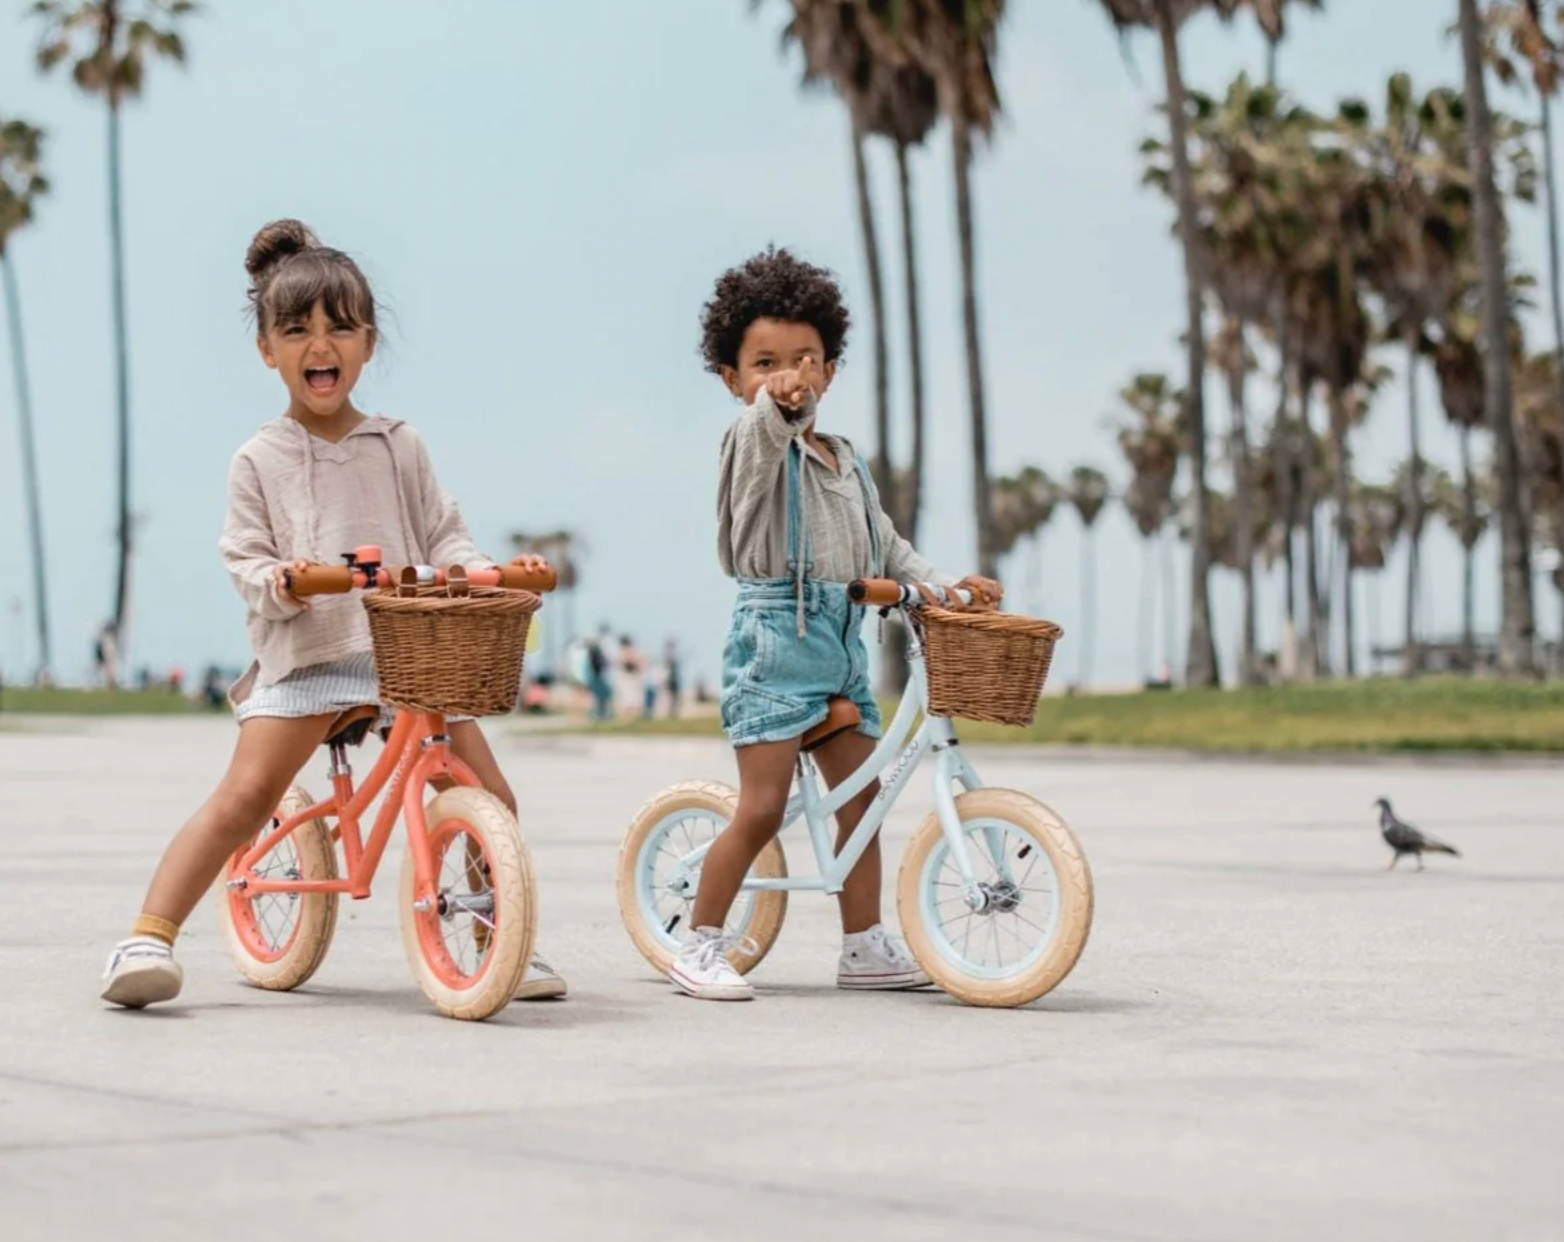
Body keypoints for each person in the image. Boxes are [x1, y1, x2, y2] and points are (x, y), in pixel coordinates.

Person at [98, 219, 567, 1008]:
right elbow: (244, 558)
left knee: (491, 792)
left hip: (404, 654)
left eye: (340, 327)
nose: (322, 345)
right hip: (309, 658)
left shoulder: (398, 444)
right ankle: (147, 935)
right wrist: (288, 578)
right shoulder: (260, 458)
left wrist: (487, 572)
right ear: (268, 350)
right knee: (244, 798)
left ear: (368, 342)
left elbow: (442, 532)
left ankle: (497, 937)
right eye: (299, 330)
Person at [670, 246, 1002, 1001]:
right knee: (759, 806)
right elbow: (764, 434)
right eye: (764, 363)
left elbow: (888, 546)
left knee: (864, 797)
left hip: (842, 647)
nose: (788, 376)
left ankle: (863, 946)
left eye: (805, 360)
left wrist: (945, 587)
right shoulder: (751, 442)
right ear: (732, 379)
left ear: (830, 369)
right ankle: (699, 943)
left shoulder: (845, 460)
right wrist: (772, 409)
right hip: (773, 643)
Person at [663, 637, 682, 719]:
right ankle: (671, 712)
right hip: (670, 679)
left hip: (674, 679)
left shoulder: (674, 654)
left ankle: (674, 712)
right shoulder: (668, 655)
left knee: (675, 696)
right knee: (671, 696)